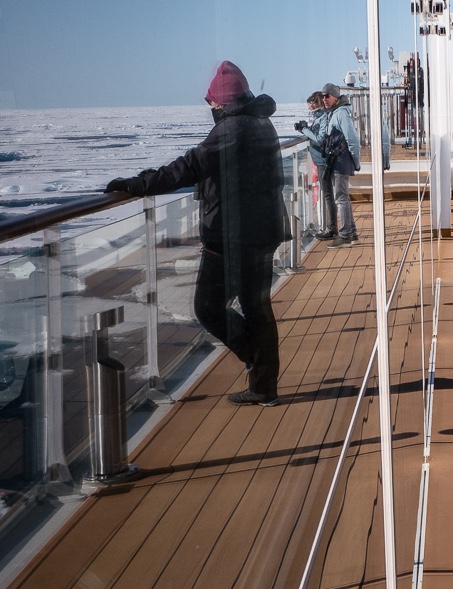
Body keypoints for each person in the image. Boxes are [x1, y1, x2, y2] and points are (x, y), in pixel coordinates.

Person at [106, 62, 287, 406]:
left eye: (212, 104)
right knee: (257, 308)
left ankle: (257, 364)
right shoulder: (262, 123)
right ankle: (263, 384)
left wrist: (137, 185)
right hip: (261, 231)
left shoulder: (233, 129)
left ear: (221, 103)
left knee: (208, 308)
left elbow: (189, 166)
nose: (211, 110)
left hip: (232, 237)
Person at [305, 83, 361, 245]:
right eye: (322, 96)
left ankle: (344, 235)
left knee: (341, 198)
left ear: (335, 97)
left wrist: (355, 161)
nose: (324, 99)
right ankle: (351, 232)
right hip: (337, 160)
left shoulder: (341, 114)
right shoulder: (334, 113)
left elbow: (352, 138)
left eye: (327, 96)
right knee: (342, 197)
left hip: (341, 160)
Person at [294, 92, 334, 240]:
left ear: (317, 102)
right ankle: (330, 226)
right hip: (320, 160)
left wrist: (304, 130)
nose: (309, 106)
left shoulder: (323, 117)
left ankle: (332, 228)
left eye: (311, 102)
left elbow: (320, 138)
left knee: (328, 194)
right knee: (328, 194)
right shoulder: (319, 116)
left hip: (323, 160)